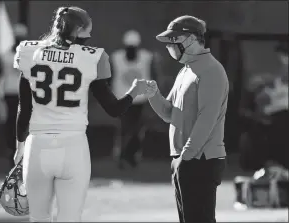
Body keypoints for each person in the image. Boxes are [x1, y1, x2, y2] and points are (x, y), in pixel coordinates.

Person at [12, 6, 148, 222]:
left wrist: (20, 145)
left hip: (36, 145)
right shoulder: (92, 58)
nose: (90, 36)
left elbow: (24, 108)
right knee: (70, 218)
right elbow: (114, 109)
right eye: (88, 31)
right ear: (78, 31)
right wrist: (134, 92)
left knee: (39, 218)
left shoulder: (29, 52)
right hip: (73, 145)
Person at [145, 15, 228, 223]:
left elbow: (207, 119)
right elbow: (168, 113)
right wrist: (153, 94)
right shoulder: (186, 70)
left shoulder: (211, 70)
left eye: (174, 40)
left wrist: (187, 156)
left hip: (201, 159)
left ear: (191, 39)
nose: (170, 46)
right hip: (185, 159)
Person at [110, 29, 160, 168]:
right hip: (122, 98)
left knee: (137, 130)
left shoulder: (146, 57)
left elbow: (154, 75)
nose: (131, 52)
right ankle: (124, 156)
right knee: (125, 128)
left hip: (140, 99)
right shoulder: (116, 57)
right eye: (129, 49)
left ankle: (130, 156)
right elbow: (110, 77)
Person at [0, 24, 28, 166]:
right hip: (21, 92)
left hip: (10, 91)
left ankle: (12, 147)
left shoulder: (6, 55)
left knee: (11, 120)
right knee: (20, 120)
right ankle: (18, 146)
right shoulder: (28, 55)